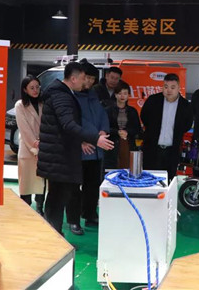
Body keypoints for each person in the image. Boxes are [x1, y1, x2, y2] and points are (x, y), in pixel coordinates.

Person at [37, 62, 114, 237]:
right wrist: (95, 139)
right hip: (59, 158)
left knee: (56, 199)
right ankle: (55, 239)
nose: (85, 82)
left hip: (58, 157)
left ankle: (55, 237)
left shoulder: (63, 93)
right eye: (83, 78)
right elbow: (69, 125)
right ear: (73, 78)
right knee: (57, 200)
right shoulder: (61, 96)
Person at [140, 73, 193, 182]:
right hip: (152, 149)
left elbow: (187, 124)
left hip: (172, 151)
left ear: (178, 88)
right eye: (166, 87)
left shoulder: (185, 105)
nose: (169, 90)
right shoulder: (153, 100)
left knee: (168, 181)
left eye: (172, 87)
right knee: (149, 180)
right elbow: (144, 116)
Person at [14, 75, 45, 215]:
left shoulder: (43, 103)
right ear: (25, 90)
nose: (35, 90)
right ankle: (25, 210)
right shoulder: (20, 105)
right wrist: (35, 145)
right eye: (32, 88)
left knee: (41, 182)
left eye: (37, 87)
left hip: (43, 147)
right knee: (26, 183)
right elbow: (24, 129)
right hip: (28, 149)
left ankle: (40, 208)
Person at [104, 80, 142, 169]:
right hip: (112, 144)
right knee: (112, 168)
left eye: (125, 93)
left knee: (128, 168)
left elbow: (137, 129)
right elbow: (104, 128)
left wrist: (127, 132)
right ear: (115, 95)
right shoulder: (108, 110)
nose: (122, 96)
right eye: (120, 93)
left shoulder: (132, 111)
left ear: (128, 95)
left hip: (128, 144)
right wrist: (117, 132)